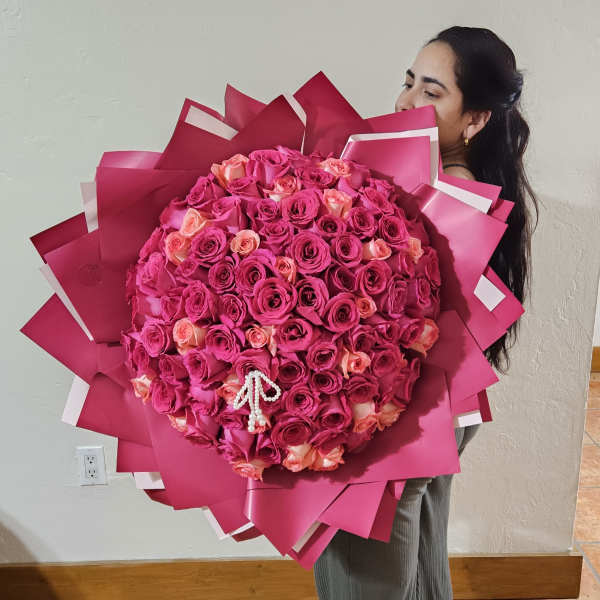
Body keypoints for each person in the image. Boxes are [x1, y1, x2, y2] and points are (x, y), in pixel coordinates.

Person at [313, 26, 539, 600]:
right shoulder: (453, 180)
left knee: (366, 569)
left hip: (412, 412)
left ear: (475, 119)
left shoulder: (450, 194)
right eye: (409, 81)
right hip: (442, 410)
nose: (405, 101)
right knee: (417, 563)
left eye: (432, 91)